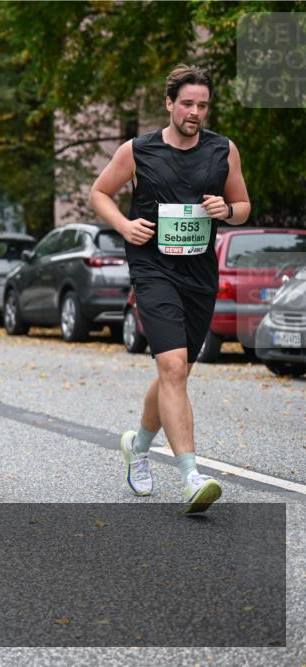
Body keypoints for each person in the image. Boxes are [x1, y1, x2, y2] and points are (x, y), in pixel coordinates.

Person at [90, 64, 250, 514]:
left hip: (199, 276)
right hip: (153, 270)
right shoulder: (139, 151)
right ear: (169, 104)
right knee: (174, 368)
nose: (195, 112)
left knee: (175, 372)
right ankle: (190, 476)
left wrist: (226, 209)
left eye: (202, 104)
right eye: (187, 104)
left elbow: (242, 206)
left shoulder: (223, 151)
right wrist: (124, 224)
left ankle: (137, 446)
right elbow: (99, 192)